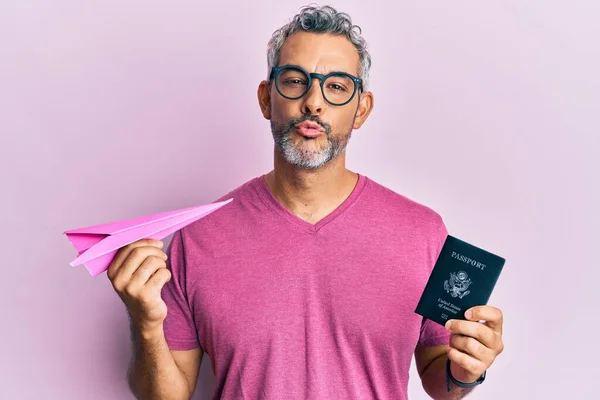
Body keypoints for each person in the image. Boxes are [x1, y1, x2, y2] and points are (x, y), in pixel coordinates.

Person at [108, 5, 504, 400]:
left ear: (360, 109)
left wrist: (467, 369)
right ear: (266, 99)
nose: (313, 102)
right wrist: (145, 323)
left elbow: (443, 385)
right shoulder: (198, 239)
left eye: (336, 86)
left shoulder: (423, 232)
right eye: (296, 81)